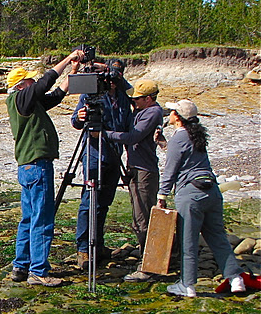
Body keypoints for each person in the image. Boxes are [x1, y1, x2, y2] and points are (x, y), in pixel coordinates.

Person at [7, 49, 84, 286]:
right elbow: (45, 83)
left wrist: (74, 70)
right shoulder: (21, 99)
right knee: (42, 218)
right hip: (37, 166)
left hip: (29, 166)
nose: (33, 83)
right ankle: (38, 271)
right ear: (22, 86)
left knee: (29, 218)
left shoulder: (29, 104)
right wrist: (66, 59)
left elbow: (56, 93)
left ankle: (21, 266)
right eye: (29, 80)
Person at [157, 99, 245, 297]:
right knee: (217, 237)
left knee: (188, 241)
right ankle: (235, 278)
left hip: (191, 195)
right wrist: (164, 143)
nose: (169, 114)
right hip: (212, 191)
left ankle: (187, 285)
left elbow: (171, 169)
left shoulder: (179, 138)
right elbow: (188, 157)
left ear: (177, 118)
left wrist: (162, 194)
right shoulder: (195, 134)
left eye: (172, 112)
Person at [71, 59, 132, 269]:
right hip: (95, 155)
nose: (113, 81)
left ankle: (98, 245)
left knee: (104, 203)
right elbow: (75, 122)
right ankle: (84, 249)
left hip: (115, 156)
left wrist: (119, 80)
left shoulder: (124, 97)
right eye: (111, 76)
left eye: (118, 75)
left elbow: (130, 114)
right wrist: (80, 118)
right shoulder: (91, 95)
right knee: (89, 203)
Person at [103, 79, 164, 282]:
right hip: (135, 168)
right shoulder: (141, 109)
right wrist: (113, 76)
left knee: (143, 217)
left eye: (138, 99)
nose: (134, 101)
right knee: (139, 216)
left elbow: (132, 137)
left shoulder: (153, 112)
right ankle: (151, 254)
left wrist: (105, 134)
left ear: (148, 99)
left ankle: (150, 265)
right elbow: (128, 90)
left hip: (144, 170)